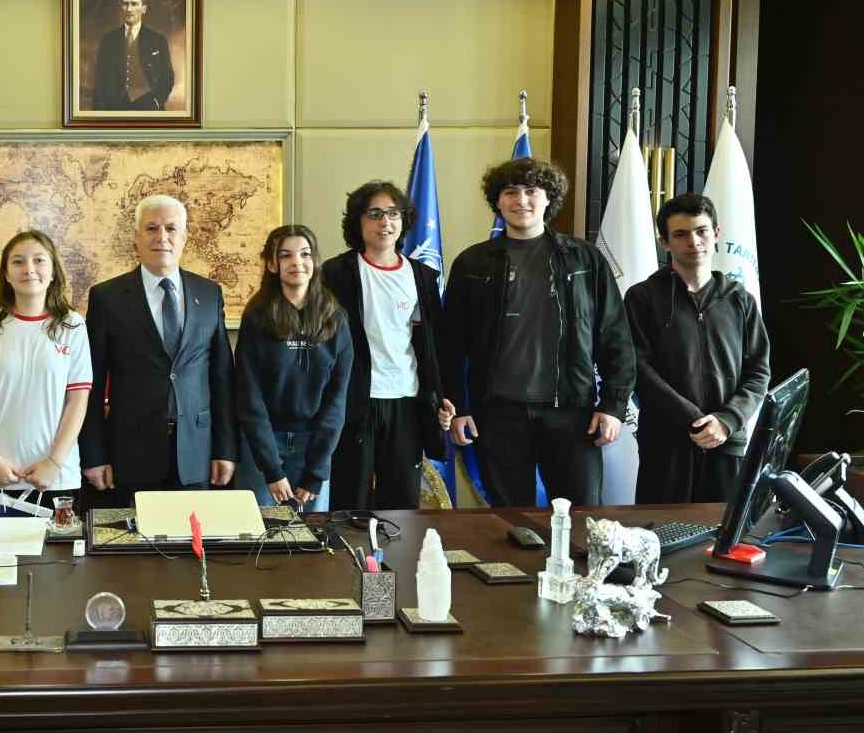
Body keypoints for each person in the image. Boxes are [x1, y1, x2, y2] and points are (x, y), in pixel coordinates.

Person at [440, 157, 635, 507]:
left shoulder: (585, 259)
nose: (521, 200)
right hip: (497, 416)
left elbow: (615, 337)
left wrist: (613, 406)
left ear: (549, 198)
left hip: (572, 414)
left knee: (580, 517)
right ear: (498, 202)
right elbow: (451, 343)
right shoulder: (472, 263)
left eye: (531, 191)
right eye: (510, 192)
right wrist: (459, 407)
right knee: (510, 522)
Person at [79, 194, 236, 505]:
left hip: (197, 452)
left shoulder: (209, 294)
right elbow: (91, 383)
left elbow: (222, 379)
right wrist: (94, 455)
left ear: (184, 237)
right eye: (151, 228)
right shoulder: (107, 298)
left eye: (171, 228)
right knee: (137, 536)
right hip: (131, 454)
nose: (161, 237)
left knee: (193, 534)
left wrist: (226, 449)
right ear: (137, 237)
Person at [625, 193, 771, 504]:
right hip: (665, 443)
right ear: (664, 242)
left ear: (716, 233)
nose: (694, 242)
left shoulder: (740, 300)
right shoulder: (642, 298)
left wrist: (727, 420)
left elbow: (759, 371)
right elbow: (637, 368)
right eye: (680, 234)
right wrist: (692, 419)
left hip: (726, 440)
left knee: (722, 529)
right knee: (659, 528)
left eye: (702, 231)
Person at [320, 182, 449, 511]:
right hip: (355, 402)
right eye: (374, 214)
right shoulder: (335, 274)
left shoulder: (422, 277)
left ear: (404, 220)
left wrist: (441, 396)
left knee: (402, 505)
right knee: (349, 503)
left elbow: (432, 345)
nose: (385, 222)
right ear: (358, 222)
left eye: (393, 214)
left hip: (407, 401)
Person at [0, 230, 93, 510]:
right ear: (6, 274)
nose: (29, 269)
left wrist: (53, 462)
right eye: (18, 261)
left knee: (59, 542)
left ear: (53, 272)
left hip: (56, 477)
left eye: (39, 260)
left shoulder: (72, 325)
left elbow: (77, 402)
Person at [232, 225, 353, 514]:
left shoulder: (335, 318)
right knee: (258, 530)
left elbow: (336, 401)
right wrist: (271, 469)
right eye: (285, 255)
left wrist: (316, 471)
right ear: (272, 264)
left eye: (305, 254)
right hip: (262, 444)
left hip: (314, 444)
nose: (297, 262)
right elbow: (249, 397)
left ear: (315, 260)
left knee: (312, 533)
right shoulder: (257, 317)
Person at [92, 0, 176, 111]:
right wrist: (99, 113)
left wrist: (157, 101)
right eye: (125, 4)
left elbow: (168, 76)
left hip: (148, 107)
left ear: (144, 9)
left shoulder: (158, 40)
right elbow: (99, 80)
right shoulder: (108, 40)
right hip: (114, 107)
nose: (129, 9)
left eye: (134, 4)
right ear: (121, 7)